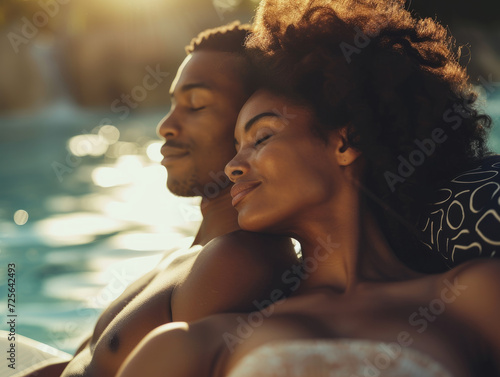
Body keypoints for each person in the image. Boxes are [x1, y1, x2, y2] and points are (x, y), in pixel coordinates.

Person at [116, 1, 500, 376]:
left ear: (344, 143)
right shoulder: (193, 345)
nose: (233, 167)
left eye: (261, 137)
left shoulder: (473, 296)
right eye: (235, 148)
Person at [23, 22, 297, 377]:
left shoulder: (238, 261)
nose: (166, 125)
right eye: (173, 103)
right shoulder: (185, 256)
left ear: (253, 122)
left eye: (196, 104)